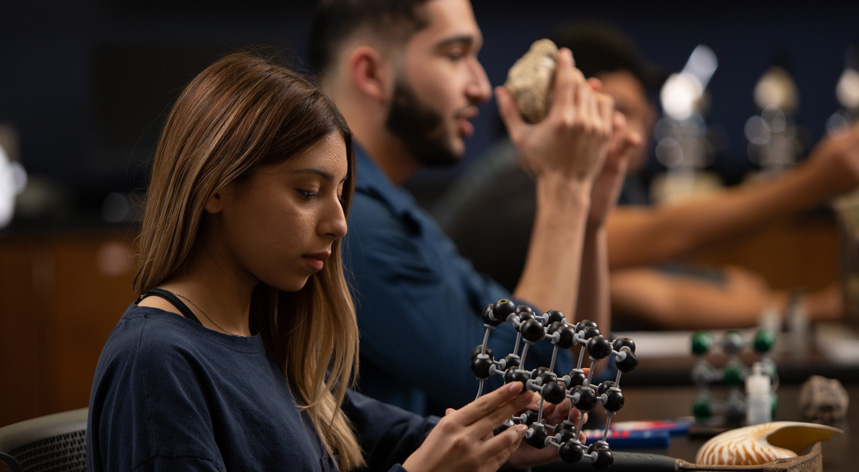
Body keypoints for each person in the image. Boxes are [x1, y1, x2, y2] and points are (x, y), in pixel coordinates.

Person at [86, 51, 578, 472]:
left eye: (340, 194)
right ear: (216, 187)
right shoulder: (157, 363)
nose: (339, 223)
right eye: (307, 192)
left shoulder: (268, 341)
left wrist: (500, 441)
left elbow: (383, 434)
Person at [308, 0, 638, 416]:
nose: (481, 85)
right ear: (372, 73)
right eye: (455, 55)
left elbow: (580, 366)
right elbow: (518, 393)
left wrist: (588, 220)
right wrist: (564, 186)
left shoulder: (396, 209)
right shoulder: (349, 222)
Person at [438, 21, 859, 331]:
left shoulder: (612, 182)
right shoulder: (513, 187)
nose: (636, 136)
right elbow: (660, 252)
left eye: (642, 115)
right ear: (557, 105)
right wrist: (812, 184)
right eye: (618, 111)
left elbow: (663, 271)